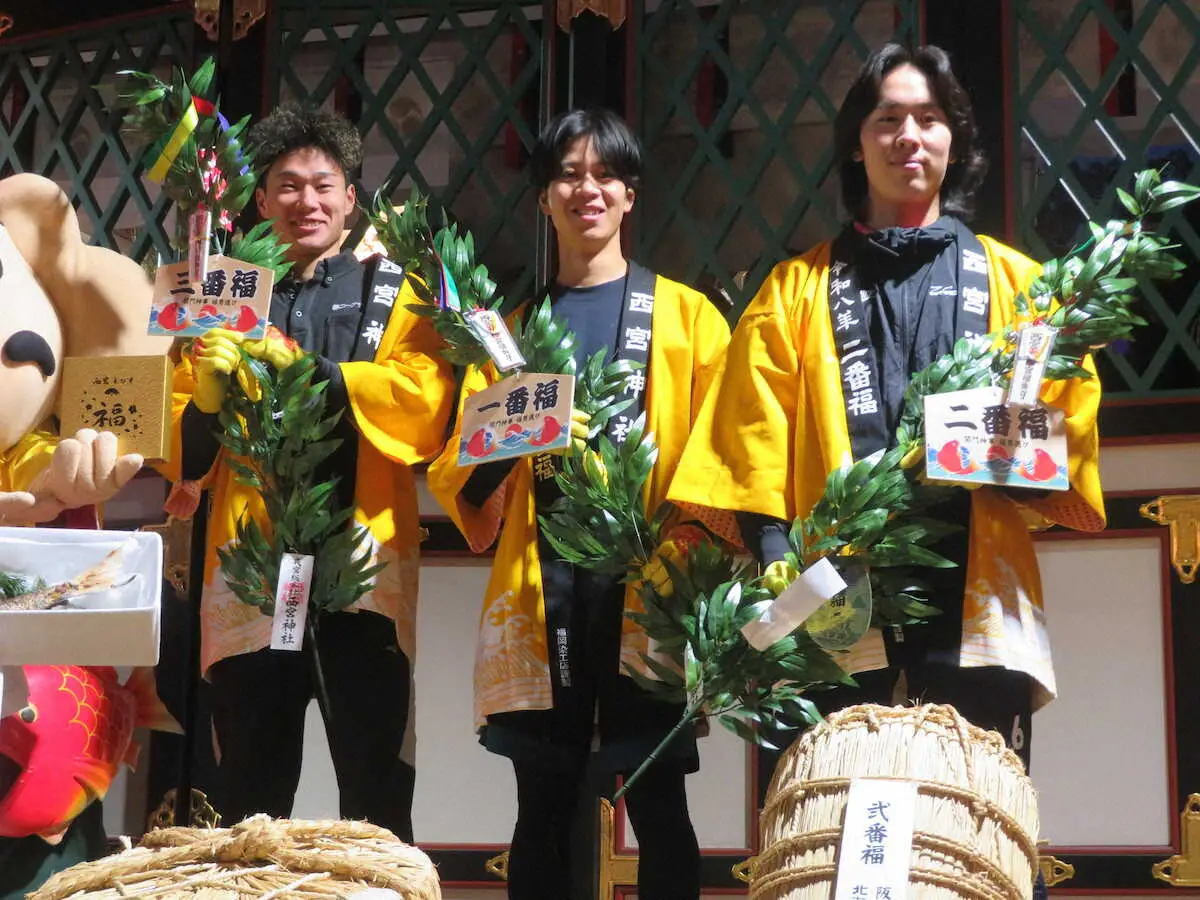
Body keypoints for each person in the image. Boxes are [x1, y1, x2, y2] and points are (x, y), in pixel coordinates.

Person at [668, 43, 1105, 775]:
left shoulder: (1021, 288)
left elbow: (1063, 429)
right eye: (888, 118)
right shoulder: (793, 290)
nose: (909, 136)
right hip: (830, 601)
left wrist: (997, 451)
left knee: (975, 822)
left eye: (929, 119)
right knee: (831, 818)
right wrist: (785, 576)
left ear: (955, 141)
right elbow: (749, 436)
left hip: (977, 601)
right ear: (856, 144)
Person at [427, 108, 730, 900]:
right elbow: (470, 476)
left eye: (604, 175)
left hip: (650, 586)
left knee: (660, 799)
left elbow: (722, 457)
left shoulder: (689, 318)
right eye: (567, 174)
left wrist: (691, 565)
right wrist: (514, 441)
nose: (585, 189)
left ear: (631, 195)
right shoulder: (509, 336)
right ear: (542, 200)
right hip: (545, 590)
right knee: (542, 806)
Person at [164, 104, 454, 841]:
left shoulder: (400, 289)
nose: (307, 202)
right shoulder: (216, 294)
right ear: (259, 201)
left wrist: (317, 373)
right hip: (254, 563)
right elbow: (181, 453)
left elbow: (424, 403)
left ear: (351, 198)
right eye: (286, 186)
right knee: (249, 787)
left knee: (377, 781)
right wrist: (203, 398)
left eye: (323, 184)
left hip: (362, 559)